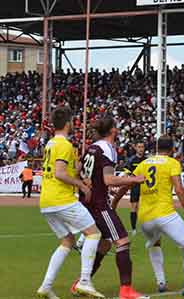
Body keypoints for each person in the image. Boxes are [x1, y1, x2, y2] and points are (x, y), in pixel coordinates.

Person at [70, 116, 148, 299]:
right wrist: (134, 179)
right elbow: (109, 180)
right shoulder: (108, 149)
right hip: (99, 205)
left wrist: (88, 185)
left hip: (88, 202)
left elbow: (78, 171)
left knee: (104, 244)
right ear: (113, 130)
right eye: (116, 127)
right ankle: (126, 290)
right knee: (122, 241)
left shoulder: (92, 147)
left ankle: (80, 283)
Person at [36, 107, 105, 299]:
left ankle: (46, 286)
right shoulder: (64, 144)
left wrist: (78, 175)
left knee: (67, 242)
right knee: (93, 234)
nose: (75, 124)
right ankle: (84, 281)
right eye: (73, 121)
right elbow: (59, 173)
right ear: (68, 123)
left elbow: (61, 170)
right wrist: (81, 186)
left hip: (47, 200)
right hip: (61, 198)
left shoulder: (50, 143)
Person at [130, 136, 184, 297]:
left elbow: (129, 182)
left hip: (144, 218)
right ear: (172, 149)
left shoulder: (144, 163)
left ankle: (161, 282)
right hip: (165, 214)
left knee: (155, 243)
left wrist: (114, 202)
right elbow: (179, 189)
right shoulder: (172, 163)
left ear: (156, 148)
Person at [126, 141, 146, 235]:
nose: (141, 149)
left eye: (142, 147)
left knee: (144, 208)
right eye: (139, 146)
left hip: (145, 187)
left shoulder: (147, 160)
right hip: (135, 186)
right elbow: (127, 172)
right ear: (136, 148)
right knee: (134, 207)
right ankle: (133, 229)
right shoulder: (131, 160)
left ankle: (144, 228)